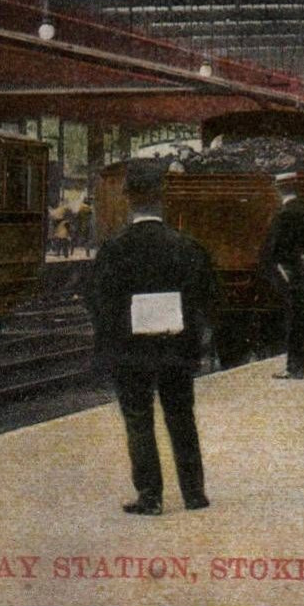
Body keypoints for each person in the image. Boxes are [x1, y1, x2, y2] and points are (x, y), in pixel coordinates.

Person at [86, 159, 217, 516]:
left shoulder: (115, 249)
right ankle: (194, 493)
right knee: (181, 416)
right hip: (176, 347)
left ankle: (150, 496)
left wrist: (114, 338)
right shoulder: (187, 246)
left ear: (129, 200)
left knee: (138, 418)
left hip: (131, 351)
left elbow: (98, 301)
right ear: (162, 200)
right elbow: (206, 297)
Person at [258, 171, 304, 380]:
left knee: (292, 321)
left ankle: (293, 369)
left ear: (278, 189)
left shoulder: (284, 214)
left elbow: (273, 248)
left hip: (288, 272)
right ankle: (298, 367)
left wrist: (276, 267)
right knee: (300, 321)